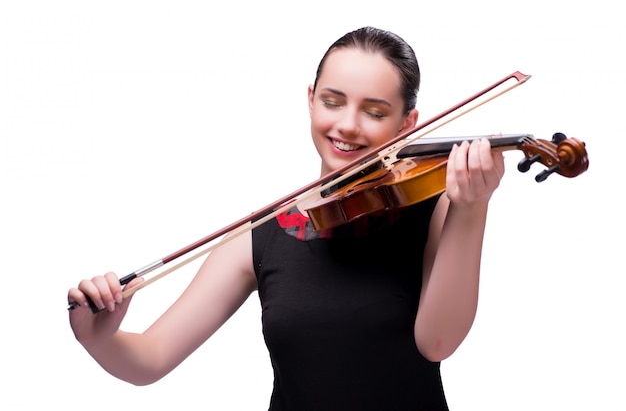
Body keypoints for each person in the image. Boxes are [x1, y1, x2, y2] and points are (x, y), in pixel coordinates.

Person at [68, 26, 504, 410]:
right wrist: (98, 337)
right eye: (333, 102)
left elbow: (438, 342)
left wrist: (471, 207)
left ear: (407, 125)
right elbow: (151, 359)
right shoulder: (261, 234)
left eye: (374, 112)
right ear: (311, 101)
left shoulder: (439, 207)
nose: (348, 125)